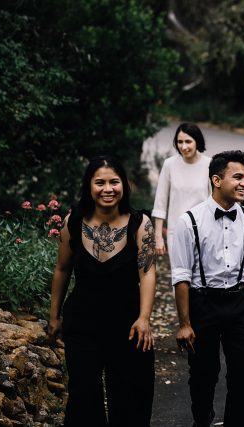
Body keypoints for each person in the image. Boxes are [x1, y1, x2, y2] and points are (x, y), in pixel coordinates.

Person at [47, 156, 156, 426]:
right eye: (100, 183)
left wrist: (144, 318)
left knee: (130, 398)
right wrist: (53, 316)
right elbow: (62, 269)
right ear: (89, 186)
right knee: (84, 397)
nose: (108, 189)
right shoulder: (72, 223)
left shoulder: (140, 224)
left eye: (114, 182)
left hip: (129, 324)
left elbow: (148, 272)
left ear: (124, 186)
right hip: (83, 323)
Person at [171, 150, 244, 427]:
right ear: (216, 180)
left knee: (242, 373)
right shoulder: (189, 220)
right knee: (203, 373)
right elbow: (181, 275)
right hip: (203, 302)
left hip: (239, 302)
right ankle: (202, 420)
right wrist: (184, 323)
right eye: (237, 177)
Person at [152, 122, 211, 256]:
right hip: (176, 231)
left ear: (197, 141)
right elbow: (160, 203)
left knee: (202, 276)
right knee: (179, 276)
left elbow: (215, 201)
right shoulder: (169, 164)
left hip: (204, 232)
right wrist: (158, 237)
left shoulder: (209, 164)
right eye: (180, 142)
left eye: (188, 141)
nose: (184, 146)